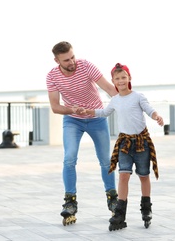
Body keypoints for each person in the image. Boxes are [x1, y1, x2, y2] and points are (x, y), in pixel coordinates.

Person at [82, 63, 164, 231]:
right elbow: (104, 112)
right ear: (113, 81)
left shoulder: (138, 96)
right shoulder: (115, 100)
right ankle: (120, 214)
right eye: (117, 79)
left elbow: (149, 110)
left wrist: (156, 116)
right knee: (123, 176)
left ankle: (146, 208)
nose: (120, 81)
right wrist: (87, 111)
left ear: (129, 78)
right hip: (124, 143)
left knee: (143, 176)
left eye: (123, 77)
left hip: (141, 142)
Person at [46, 41, 119, 226]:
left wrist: (128, 102)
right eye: (66, 60)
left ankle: (112, 198)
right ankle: (70, 201)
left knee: (105, 160)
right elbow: (55, 107)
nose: (72, 62)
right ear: (57, 60)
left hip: (96, 117)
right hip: (72, 120)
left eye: (72, 57)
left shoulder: (86, 66)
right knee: (69, 158)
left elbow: (109, 89)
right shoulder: (52, 76)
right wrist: (72, 109)